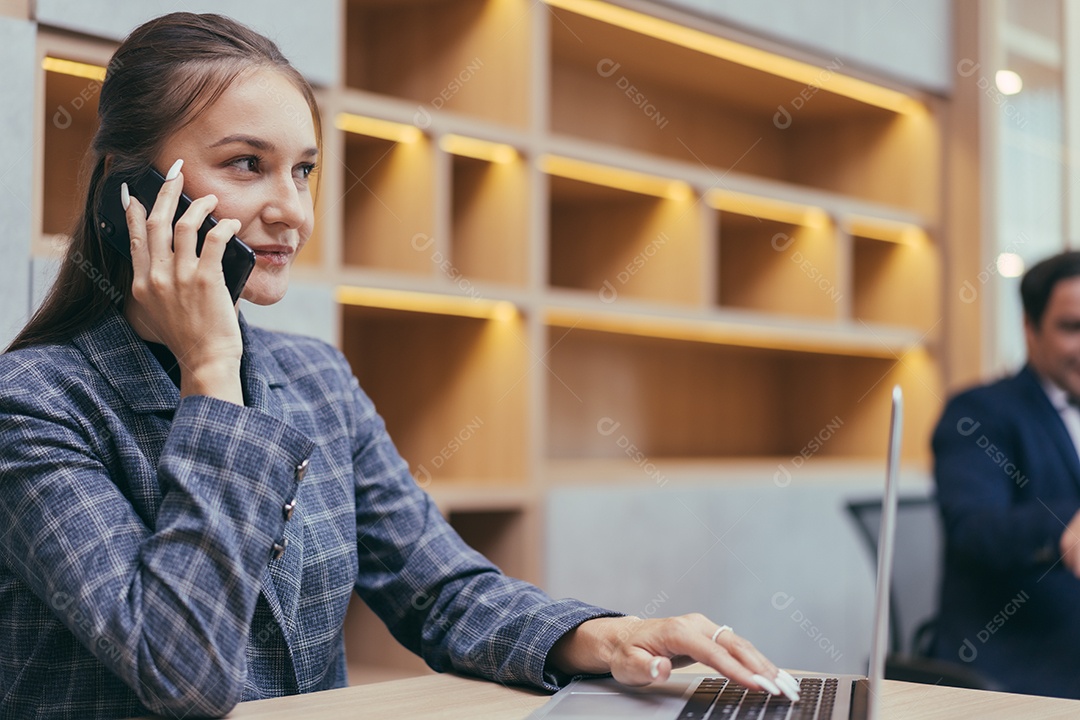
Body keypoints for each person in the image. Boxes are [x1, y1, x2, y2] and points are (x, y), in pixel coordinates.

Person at [0, 13, 800, 719]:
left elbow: (441, 592)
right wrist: (210, 364)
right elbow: (179, 672)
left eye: (304, 169)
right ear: (128, 190)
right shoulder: (33, 405)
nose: (294, 210)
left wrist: (606, 635)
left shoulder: (316, 379)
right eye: (247, 163)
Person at [931, 250, 1080, 699]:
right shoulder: (977, 413)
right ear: (1029, 329)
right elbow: (972, 528)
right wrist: (1065, 529)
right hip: (1022, 664)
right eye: (1072, 328)